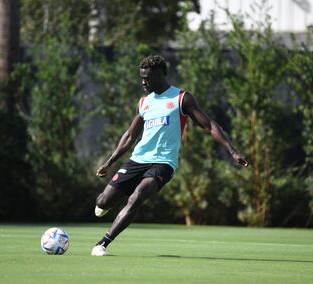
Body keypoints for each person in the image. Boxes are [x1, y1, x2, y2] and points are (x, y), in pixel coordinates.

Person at [91, 55, 249, 256]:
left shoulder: (181, 98)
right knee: (104, 201)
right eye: (141, 78)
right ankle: (103, 203)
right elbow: (131, 135)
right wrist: (109, 162)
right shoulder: (144, 103)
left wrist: (232, 150)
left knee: (137, 196)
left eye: (146, 78)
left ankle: (103, 244)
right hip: (138, 160)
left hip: (163, 163)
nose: (142, 82)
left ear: (158, 75)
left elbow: (209, 126)